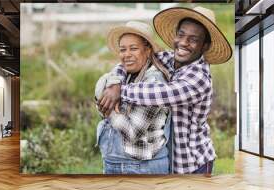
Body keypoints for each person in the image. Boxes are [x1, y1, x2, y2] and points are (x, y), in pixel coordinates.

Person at [98, 7, 232, 175]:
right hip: (168, 157)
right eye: (181, 35)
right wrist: (115, 83)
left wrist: (121, 91)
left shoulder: (199, 78)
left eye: (193, 39)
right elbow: (129, 62)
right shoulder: (170, 58)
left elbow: (161, 94)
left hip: (191, 163)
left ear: (204, 46)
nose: (183, 43)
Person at [95, 21, 172, 174]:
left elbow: (133, 133)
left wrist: (108, 109)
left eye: (134, 48)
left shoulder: (154, 82)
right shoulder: (126, 75)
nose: (126, 54)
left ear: (148, 50)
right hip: (115, 162)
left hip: (142, 167)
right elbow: (103, 107)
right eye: (123, 50)